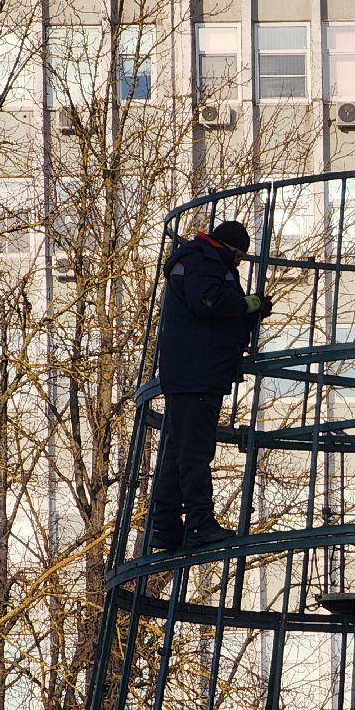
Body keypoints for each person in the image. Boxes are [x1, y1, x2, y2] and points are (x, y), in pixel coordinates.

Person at [149, 220, 272, 551]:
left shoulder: (196, 260)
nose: (240, 264)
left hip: (191, 371)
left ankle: (165, 526)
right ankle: (199, 524)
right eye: (240, 257)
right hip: (198, 372)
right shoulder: (204, 261)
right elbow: (209, 302)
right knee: (195, 451)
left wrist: (248, 313)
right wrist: (251, 305)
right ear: (230, 249)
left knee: (178, 450)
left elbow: (211, 310)